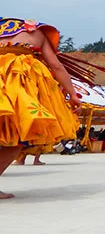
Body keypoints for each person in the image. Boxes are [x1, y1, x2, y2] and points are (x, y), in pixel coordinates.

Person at [0, 17, 84, 199]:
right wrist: (73, 94)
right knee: (18, 139)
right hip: (20, 88)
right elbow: (56, 66)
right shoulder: (37, 32)